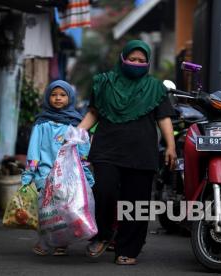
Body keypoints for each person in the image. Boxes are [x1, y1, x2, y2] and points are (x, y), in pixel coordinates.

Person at [78, 40, 176, 265]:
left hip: (141, 153)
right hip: (107, 149)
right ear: (122, 59)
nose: (137, 64)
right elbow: (94, 113)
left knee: (135, 203)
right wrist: (75, 133)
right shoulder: (104, 84)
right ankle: (103, 234)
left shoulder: (155, 88)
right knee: (103, 191)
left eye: (142, 61)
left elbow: (163, 118)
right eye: (132, 59)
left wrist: (170, 146)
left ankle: (128, 248)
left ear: (148, 63)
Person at [21, 80, 94, 256]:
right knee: (47, 210)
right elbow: (33, 150)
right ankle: (45, 240)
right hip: (45, 174)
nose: (58, 98)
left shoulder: (76, 122)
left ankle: (61, 243)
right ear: (48, 97)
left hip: (69, 175)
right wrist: (29, 174)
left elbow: (82, 149)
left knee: (65, 209)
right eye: (54, 95)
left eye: (62, 95)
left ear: (70, 98)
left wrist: (87, 174)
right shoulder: (41, 124)